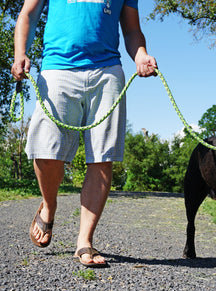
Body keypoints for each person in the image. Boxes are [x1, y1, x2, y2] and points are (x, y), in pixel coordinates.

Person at [11, 0, 157, 267]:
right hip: (57, 68)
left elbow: (132, 30)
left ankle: (84, 241)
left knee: (102, 156)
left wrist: (140, 55)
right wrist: (20, 52)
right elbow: (28, 15)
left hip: (107, 71)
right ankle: (49, 205)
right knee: (46, 149)